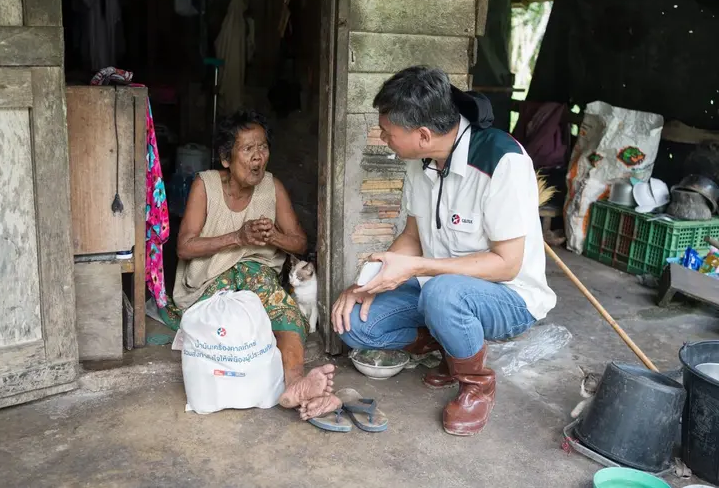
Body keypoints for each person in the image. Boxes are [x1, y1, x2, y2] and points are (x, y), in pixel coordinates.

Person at [325, 66, 557, 435]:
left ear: (422, 134)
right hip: (440, 291)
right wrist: (367, 283)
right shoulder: (423, 162)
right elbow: (412, 237)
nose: (384, 139)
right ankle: (452, 346)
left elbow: (507, 265)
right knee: (353, 324)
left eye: (389, 134)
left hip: (509, 298)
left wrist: (418, 267)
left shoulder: (503, 161)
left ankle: (476, 384)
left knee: (441, 291)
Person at [172, 109, 334, 413]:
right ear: (225, 159)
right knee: (227, 321)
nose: (258, 157)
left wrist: (272, 236)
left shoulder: (272, 187)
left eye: (263, 148)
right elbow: (184, 247)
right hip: (210, 274)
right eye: (248, 149)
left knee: (281, 308)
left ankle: (295, 384)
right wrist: (237, 237)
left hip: (257, 272)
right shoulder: (204, 186)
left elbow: (299, 242)